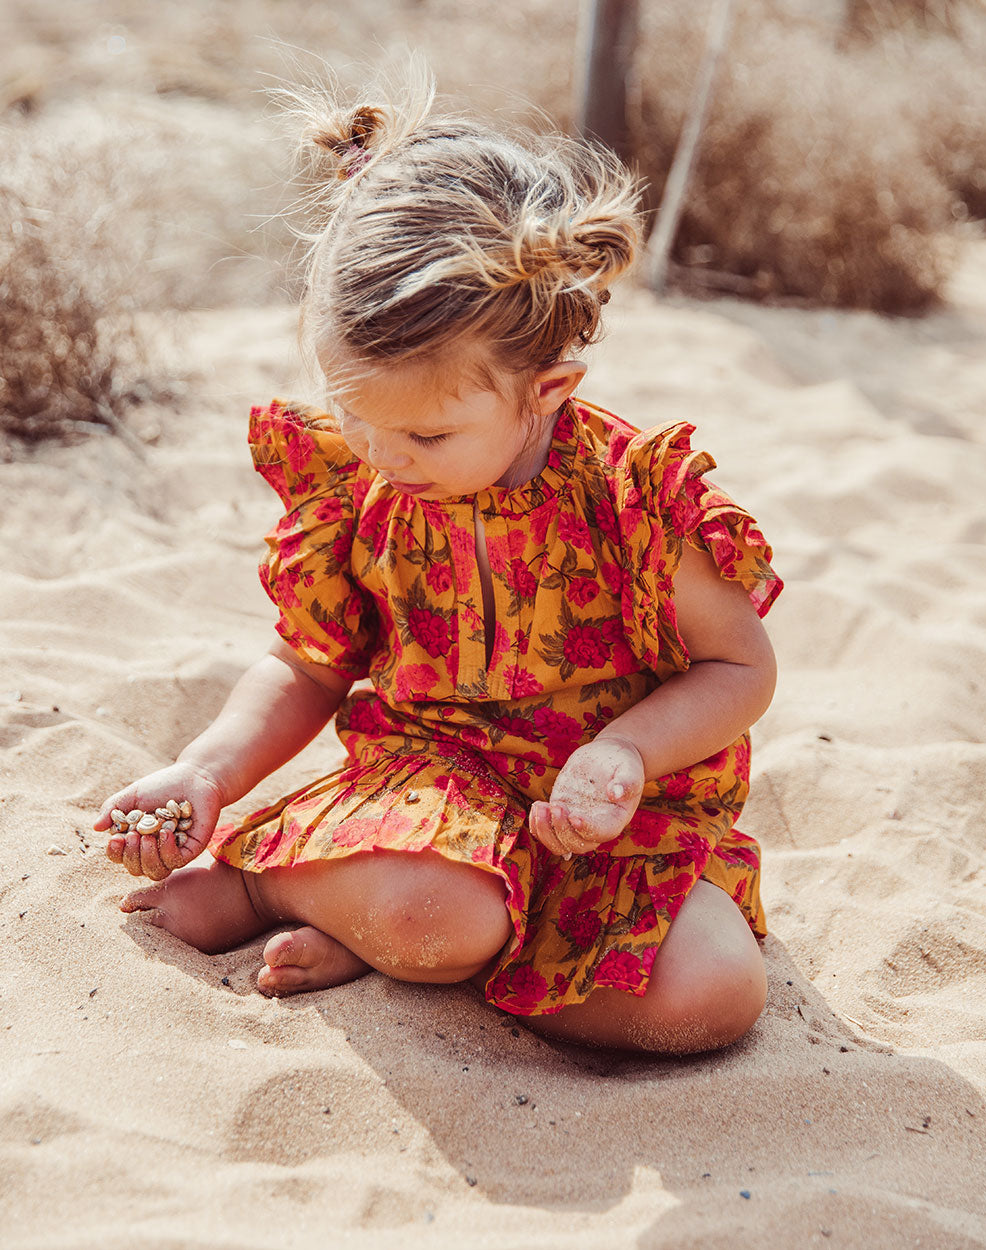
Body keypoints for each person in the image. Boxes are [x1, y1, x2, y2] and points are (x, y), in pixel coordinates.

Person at [96, 62, 782, 1054]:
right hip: (430, 803)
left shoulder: (636, 500)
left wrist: (626, 749)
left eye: (424, 437)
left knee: (712, 995)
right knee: (441, 913)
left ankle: (384, 942)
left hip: (607, 821)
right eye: (356, 420)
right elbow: (308, 663)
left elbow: (740, 665)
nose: (383, 458)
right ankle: (279, 882)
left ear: (547, 388)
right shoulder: (364, 483)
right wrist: (206, 769)